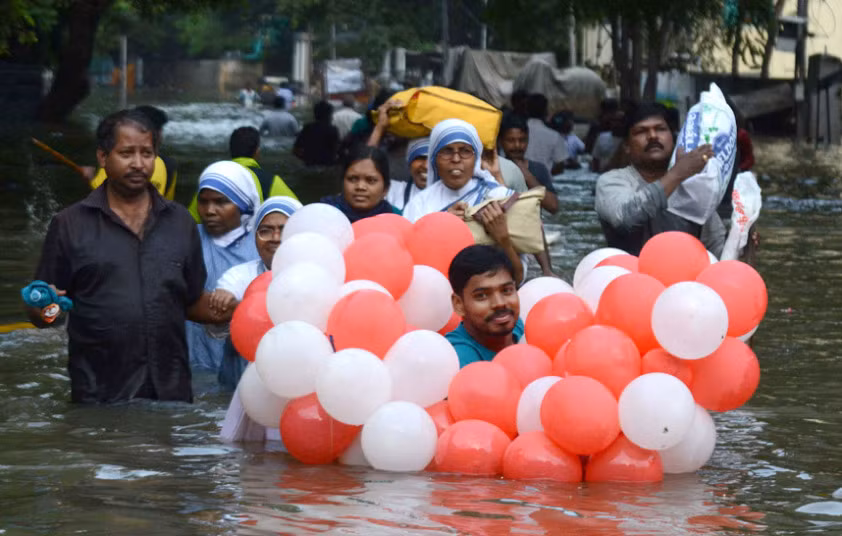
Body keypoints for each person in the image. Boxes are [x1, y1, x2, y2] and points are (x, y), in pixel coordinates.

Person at [25, 109, 224, 404]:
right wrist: (46, 307)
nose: (138, 163)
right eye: (126, 153)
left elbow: (191, 301)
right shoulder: (70, 224)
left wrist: (239, 308)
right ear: (103, 157)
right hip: (100, 397)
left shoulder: (180, 221)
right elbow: (43, 315)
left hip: (171, 394)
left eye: (147, 153)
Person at [594, 102, 726, 257]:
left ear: (673, 138)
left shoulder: (694, 186)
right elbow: (625, 218)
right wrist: (677, 174)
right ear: (627, 146)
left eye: (660, 129)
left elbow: (718, 253)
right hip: (630, 277)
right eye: (641, 131)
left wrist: (744, 242)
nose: (652, 136)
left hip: (684, 278)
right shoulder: (611, 181)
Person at [402, 118, 523, 283]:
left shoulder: (499, 197)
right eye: (447, 151)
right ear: (434, 158)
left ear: (477, 159)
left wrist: (502, 239)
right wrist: (441, 226)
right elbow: (408, 262)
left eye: (465, 151)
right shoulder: (420, 204)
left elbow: (518, 277)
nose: (456, 159)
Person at [211, 196, 303, 389]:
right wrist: (223, 300)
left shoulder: (314, 276)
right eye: (266, 231)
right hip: (238, 386)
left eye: (285, 230)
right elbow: (216, 321)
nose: (275, 239)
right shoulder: (240, 274)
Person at [187, 160, 262, 374]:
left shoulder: (261, 244)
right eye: (204, 202)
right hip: (193, 358)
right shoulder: (187, 238)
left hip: (244, 361)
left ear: (243, 204)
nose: (210, 210)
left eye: (221, 202)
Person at [188, 127, 298, 221]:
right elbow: (298, 216)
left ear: (231, 151)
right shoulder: (270, 181)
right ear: (257, 152)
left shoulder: (212, 181)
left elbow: (191, 222)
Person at [445, 245, 523, 368]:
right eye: (481, 296)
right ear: (458, 304)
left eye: (506, 290)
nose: (499, 303)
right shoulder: (457, 359)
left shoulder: (521, 328)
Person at [87, 105, 178, 200]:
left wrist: (90, 178)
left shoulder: (112, 161)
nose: (138, 165)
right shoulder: (170, 165)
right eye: (126, 153)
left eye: (146, 153)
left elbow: (99, 192)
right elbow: (168, 200)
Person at [497, 113, 560, 214]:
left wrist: (527, 176)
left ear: (528, 140)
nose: (517, 145)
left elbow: (553, 206)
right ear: (500, 141)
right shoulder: (493, 169)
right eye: (511, 140)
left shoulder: (538, 169)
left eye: (522, 140)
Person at [320, 145, 401, 222]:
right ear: (342, 182)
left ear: (385, 188)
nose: (360, 186)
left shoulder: (396, 218)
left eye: (371, 180)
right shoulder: (323, 213)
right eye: (353, 179)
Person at [523, 93, 568, 175]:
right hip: (543, 182)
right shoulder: (554, 136)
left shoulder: (516, 133)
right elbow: (560, 165)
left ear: (526, 110)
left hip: (520, 179)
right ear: (545, 111)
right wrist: (546, 175)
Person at [293, 100, 340, 166]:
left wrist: (305, 158)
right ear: (328, 115)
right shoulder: (333, 130)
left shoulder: (307, 128)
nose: (332, 117)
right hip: (327, 166)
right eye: (331, 114)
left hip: (309, 166)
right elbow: (336, 151)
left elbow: (295, 151)